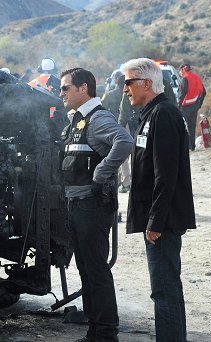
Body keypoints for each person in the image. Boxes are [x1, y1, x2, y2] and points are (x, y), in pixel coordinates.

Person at [121, 58, 196, 342]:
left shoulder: (163, 114)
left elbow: (166, 176)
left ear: (147, 83)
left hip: (162, 222)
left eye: (128, 82)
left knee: (164, 290)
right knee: (166, 289)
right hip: (158, 218)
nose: (124, 89)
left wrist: (156, 221)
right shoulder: (152, 114)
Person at [59, 68, 133, 342]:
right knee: (86, 268)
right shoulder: (76, 121)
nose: (61, 93)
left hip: (91, 206)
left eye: (66, 87)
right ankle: (96, 329)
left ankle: (105, 333)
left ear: (83, 89)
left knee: (95, 270)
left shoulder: (97, 118)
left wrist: (101, 173)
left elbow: (124, 141)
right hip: (78, 205)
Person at [177, 63, 206, 150]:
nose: (180, 72)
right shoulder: (196, 77)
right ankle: (192, 146)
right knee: (191, 126)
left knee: (182, 126)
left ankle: (184, 146)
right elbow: (204, 92)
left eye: (180, 70)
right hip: (195, 105)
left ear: (183, 69)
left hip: (185, 107)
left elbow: (183, 93)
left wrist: (178, 105)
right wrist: (199, 104)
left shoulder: (185, 78)